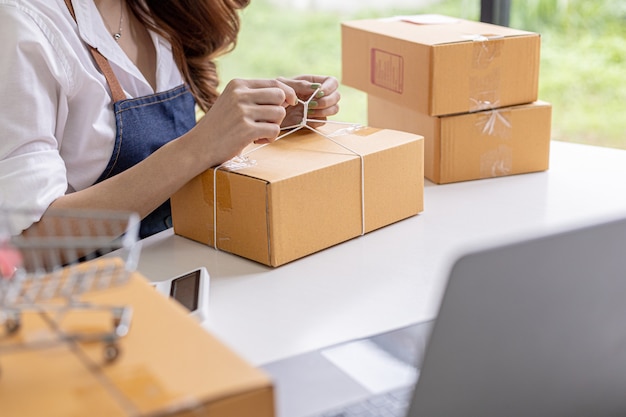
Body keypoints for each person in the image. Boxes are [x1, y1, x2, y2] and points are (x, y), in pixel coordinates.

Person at [0, 0, 341, 238]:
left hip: (179, 262)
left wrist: (264, 119)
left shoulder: (155, 11)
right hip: (89, 301)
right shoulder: (22, 26)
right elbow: (27, 240)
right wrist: (199, 145)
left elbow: (171, 158)